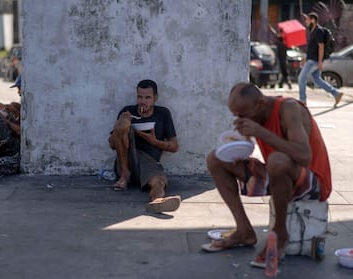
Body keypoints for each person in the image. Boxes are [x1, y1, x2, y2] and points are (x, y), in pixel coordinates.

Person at [204, 82, 331, 265]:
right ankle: (244, 231)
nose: (240, 119)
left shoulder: (289, 109)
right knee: (215, 158)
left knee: (277, 160)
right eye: (236, 115)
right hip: (281, 173)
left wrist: (260, 132)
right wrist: (238, 150)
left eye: (243, 115)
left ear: (261, 104)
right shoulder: (258, 115)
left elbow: (304, 156)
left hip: (314, 182)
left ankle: (280, 235)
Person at [108, 79, 181, 213]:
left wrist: (154, 142)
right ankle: (124, 174)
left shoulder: (162, 114)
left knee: (159, 182)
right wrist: (122, 123)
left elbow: (174, 146)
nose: (143, 101)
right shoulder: (128, 111)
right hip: (126, 161)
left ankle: (157, 203)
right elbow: (112, 145)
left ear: (155, 98)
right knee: (123, 123)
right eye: (140, 97)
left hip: (149, 164)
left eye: (148, 97)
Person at [298, 12, 343, 106]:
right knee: (317, 80)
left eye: (307, 19)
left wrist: (320, 62)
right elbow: (312, 49)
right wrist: (305, 58)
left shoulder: (319, 31)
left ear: (313, 20)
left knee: (301, 78)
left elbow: (321, 47)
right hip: (311, 59)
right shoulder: (313, 31)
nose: (306, 22)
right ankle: (336, 94)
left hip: (314, 61)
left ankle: (302, 101)